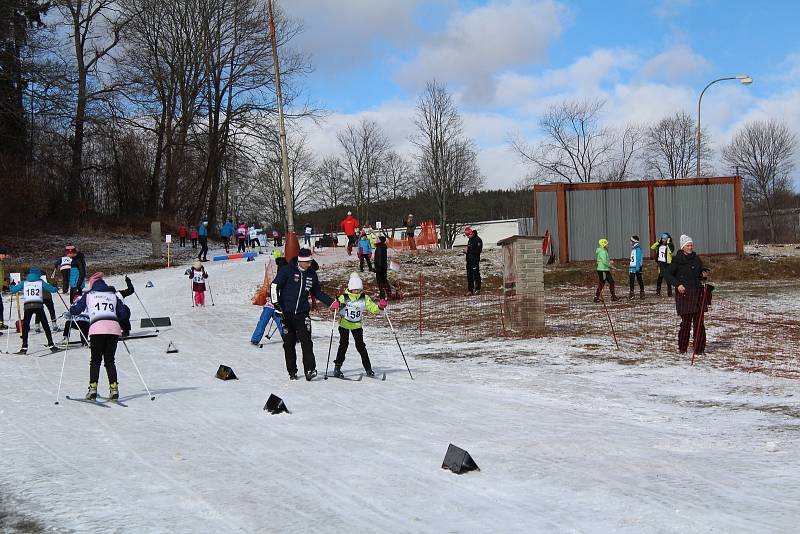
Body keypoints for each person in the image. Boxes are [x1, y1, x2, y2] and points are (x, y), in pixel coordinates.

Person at [270, 248, 334, 381]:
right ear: (301, 261)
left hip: (302, 313)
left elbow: (318, 292)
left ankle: (310, 369)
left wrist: (331, 303)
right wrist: (276, 305)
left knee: (306, 342)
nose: (310, 264)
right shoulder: (287, 270)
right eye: (308, 262)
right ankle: (292, 371)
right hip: (285, 313)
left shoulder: (312, 274)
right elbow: (274, 286)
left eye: (311, 262)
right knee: (289, 344)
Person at [69, 272, 130, 401]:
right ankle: (114, 389)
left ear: (92, 284)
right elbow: (123, 313)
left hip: (97, 330)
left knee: (95, 360)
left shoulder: (89, 295)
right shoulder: (113, 295)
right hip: (113, 330)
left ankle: (92, 389)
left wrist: (71, 311)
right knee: (110, 360)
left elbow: (77, 310)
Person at [332, 273, 386, 378]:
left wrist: (380, 307)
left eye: (358, 289)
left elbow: (373, 308)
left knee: (361, 346)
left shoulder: (364, 298)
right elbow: (335, 309)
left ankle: (368, 369)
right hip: (344, 325)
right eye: (354, 289)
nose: (356, 291)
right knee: (343, 345)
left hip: (357, 326)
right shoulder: (344, 297)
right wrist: (334, 306)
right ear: (350, 288)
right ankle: (337, 367)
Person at [663, 235, 710, 355]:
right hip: (684, 295)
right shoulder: (677, 260)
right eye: (687, 245)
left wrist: (703, 274)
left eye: (691, 245)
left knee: (699, 324)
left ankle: (699, 349)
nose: (690, 247)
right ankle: (682, 348)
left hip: (697, 294)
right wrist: (678, 285)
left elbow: (698, 274)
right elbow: (667, 275)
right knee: (686, 324)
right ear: (683, 247)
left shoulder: (696, 259)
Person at [9, 266, 59, 354]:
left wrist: (12, 285)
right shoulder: (40, 282)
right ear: (38, 274)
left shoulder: (24, 282)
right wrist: (55, 287)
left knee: (25, 326)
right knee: (45, 325)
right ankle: (51, 345)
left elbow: (13, 290)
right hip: (38, 305)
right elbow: (52, 290)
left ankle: (24, 347)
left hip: (28, 306)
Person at [594, 238, 619, 302]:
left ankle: (612, 296)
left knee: (608, 282)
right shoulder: (602, 252)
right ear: (603, 245)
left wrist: (609, 262)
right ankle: (597, 297)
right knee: (605, 283)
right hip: (603, 270)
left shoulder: (603, 251)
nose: (608, 245)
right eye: (607, 244)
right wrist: (611, 266)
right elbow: (604, 262)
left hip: (604, 269)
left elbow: (604, 261)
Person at [651, 232, 674, 296]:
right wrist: (658, 242)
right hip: (660, 263)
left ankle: (669, 291)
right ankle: (658, 291)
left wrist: (668, 242)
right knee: (660, 277)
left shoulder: (669, 246)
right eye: (662, 238)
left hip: (667, 263)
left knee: (668, 277)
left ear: (668, 239)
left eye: (665, 239)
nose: (663, 240)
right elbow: (652, 247)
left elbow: (671, 250)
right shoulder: (659, 245)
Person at [464, 226, 483, 295]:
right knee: (469, 275)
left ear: (472, 233)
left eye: (468, 235)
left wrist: (468, 250)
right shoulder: (470, 240)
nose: (468, 236)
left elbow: (478, 250)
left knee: (476, 274)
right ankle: (470, 290)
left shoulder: (478, 240)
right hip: (469, 260)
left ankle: (477, 289)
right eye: (466, 235)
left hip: (475, 260)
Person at [628, 235, 644, 300]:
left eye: (631, 241)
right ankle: (632, 294)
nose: (630, 242)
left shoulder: (638, 249)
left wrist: (638, 268)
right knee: (631, 280)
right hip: (632, 267)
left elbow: (638, 258)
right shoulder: (633, 249)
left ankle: (642, 292)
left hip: (637, 267)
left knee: (639, 279)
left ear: (634, 241)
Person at [373, 235, 389, 299]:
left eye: (377, 239)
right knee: (384, 281)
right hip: (383, 267)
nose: (375, 240)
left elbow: (379, 259)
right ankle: (388, 294)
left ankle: (382, 296)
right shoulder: (382, 247)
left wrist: (378, 268)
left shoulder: (379, 248)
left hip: (380, 268)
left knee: (380, 282)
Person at [0, 246, 7, 330]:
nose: (4, 256)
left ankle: (1, 324)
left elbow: (2, 277)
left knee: (1, 308)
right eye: (2, 254)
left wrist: (4, 285)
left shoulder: (1, 264)